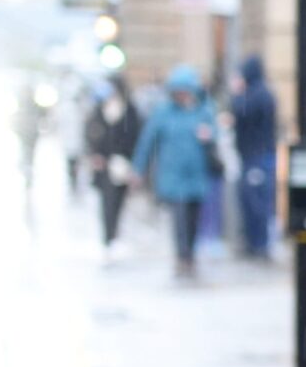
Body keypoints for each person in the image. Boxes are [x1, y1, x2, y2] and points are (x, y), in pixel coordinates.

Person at [134, 65, 222, 280]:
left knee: (193, 217)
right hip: (173, 174)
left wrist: (208, 136)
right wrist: (138, 168)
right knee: (180, 216)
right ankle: (183, 257)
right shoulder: (164, 112)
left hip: (196, 173)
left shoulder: (204, 110)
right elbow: (148, 141)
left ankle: (190, 254)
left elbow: (216, 137)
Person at [84, 79, 142, 254]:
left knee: (119, 201)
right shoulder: (99, 110)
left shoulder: (129, 111)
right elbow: (91, 133)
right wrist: (95, 154)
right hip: (104, 164)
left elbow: (135, 136)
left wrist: (132, 162)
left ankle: (114, 234)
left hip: (123, 163)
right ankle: (108, 237)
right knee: (106, 202)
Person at [230, 54, 279, 258]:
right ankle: (255, 242)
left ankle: (259, 244)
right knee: (252, 201)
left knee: (256, 202)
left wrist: (237, 93)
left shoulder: (258, 95)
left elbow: (241, 112)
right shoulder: (261, 94)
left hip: (257, 157)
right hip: (253, 156)